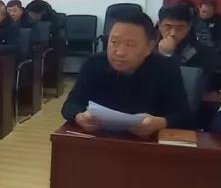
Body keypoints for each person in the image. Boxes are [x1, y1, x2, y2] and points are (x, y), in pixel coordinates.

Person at [62, 11, 190, 135]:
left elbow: (184, 115)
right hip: (101, 139)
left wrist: (161, 123)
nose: (119, 52)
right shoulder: (94, 63)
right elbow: (71, 104)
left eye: (130, 45)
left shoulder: (166, 68)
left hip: (147, 143)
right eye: (114, 42)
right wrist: (79, 117)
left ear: (149, 47)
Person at [155, 2, 219, 85]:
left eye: (179, 28)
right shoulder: (147, 46)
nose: (173, 33)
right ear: (159, 25)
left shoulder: (202, 53)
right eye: (168, 27)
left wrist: (167, 55)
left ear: (189, 27)